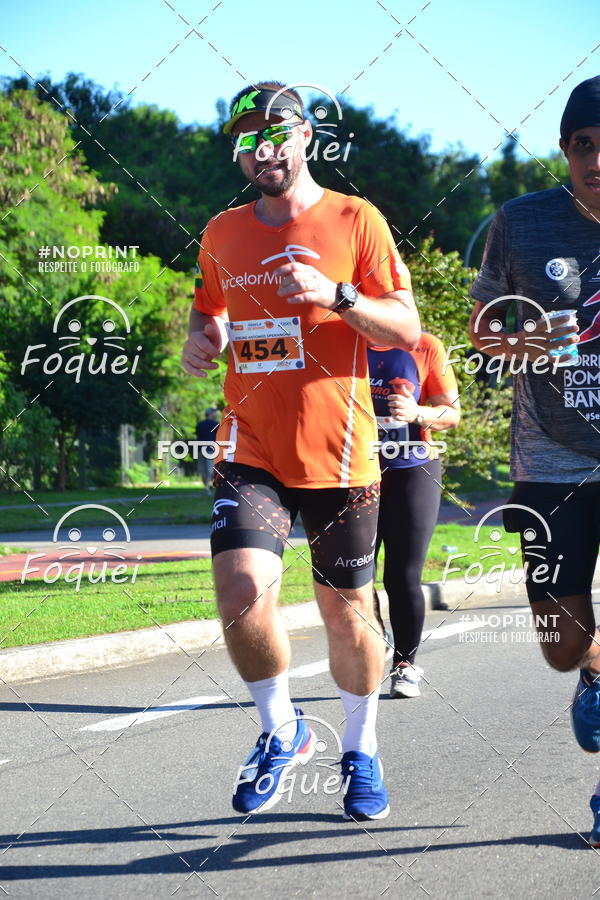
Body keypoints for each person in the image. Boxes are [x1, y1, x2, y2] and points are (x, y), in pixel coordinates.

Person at [181, 80, 420, 820]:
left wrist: (337, 295)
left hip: (340, 453)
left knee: (345, 613)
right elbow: (209, 306)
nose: (263, 150)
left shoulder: (357, 220)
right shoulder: (222, 233)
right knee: (242, 592)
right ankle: (280, 731)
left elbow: (405, 328)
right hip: (249, 444)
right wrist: (202, 334)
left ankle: (361, 748)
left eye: (275, 134)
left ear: (306, 136)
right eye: (248, 140)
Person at [469, 75, 600, 845]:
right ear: (566, 152)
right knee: (558, 640)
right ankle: (591, 670)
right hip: (549, 457)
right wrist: (518, 343)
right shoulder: (521, 223)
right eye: (584, 146)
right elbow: (484, 321)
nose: (597, 160)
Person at [368, 336, 460, 698]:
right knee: (354, 577)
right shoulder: (340, 339)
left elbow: (451, 414)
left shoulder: (426, 346)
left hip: (414, 468)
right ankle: (378, 635)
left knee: (403, 575)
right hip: (354, 471)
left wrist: (418, 412)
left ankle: (405, 664)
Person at [195, 407, 219, 492]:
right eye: (215, 413)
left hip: (199, 449)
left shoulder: (200, 424)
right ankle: (207, 487)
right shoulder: (216, 424)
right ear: (211, 414)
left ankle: (206, 486)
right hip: (210, 450)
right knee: (210, 470)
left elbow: (197, 436)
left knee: (202, 470)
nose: (216, 415)